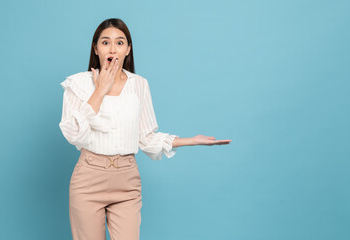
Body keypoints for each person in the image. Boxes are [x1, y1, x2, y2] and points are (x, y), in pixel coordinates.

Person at [59, 18, 232, 240]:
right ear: (95, 48)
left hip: (127, 179)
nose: (113, 49)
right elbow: (74, 133)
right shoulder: (78, 84)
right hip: (88, 178)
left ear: (128, 49)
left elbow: (146, 137)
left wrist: (192, 140)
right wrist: (100, 90)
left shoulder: (139, 84)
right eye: (105, 42)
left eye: (120, 43)